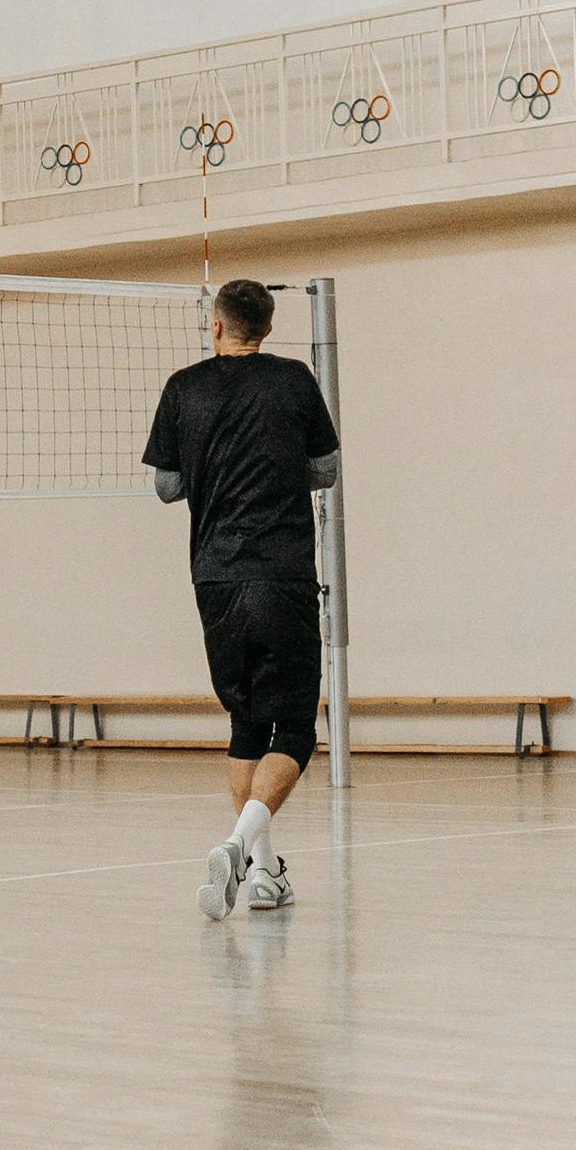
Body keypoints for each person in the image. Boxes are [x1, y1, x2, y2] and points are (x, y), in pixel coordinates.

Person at [144, 280, 340, 920]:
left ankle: (262, 873)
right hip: (281, 573)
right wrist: (277, 465)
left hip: (215, 578)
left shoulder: (184, 386)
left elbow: (168, 487)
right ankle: (235, 845)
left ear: (217, 326)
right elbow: (326, 470)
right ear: (268, 326)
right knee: (298, 729)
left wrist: (213, 469)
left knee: (247, 723)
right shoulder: (293, 379)